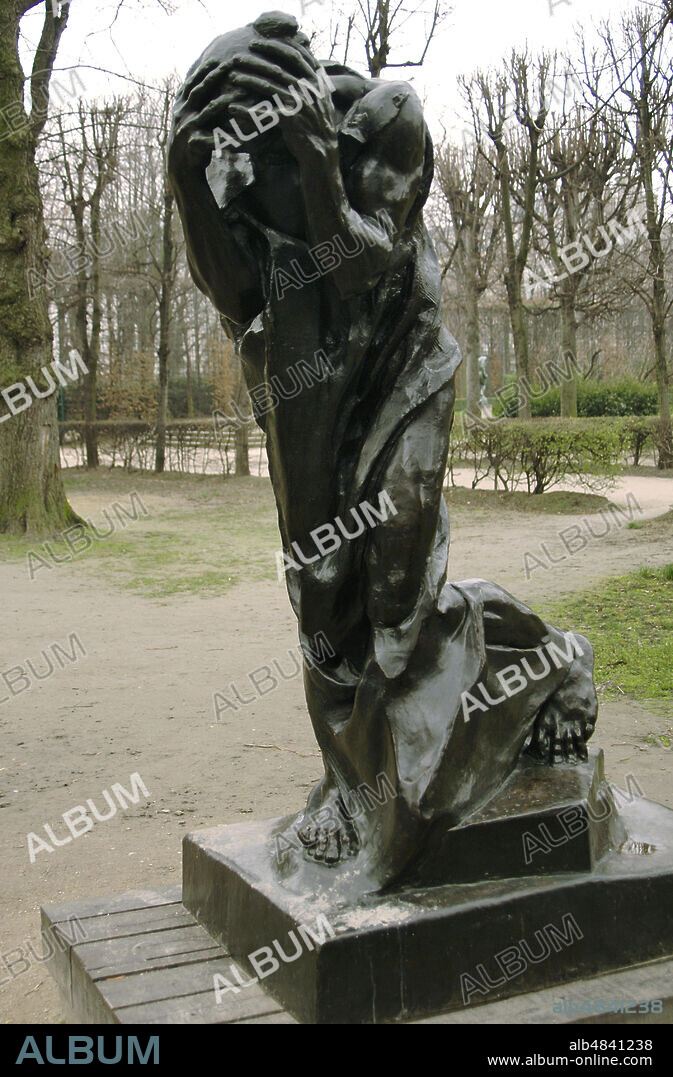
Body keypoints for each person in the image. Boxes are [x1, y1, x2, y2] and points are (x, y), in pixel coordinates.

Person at [168, 11, 598, 894]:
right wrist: (185, 175)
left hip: (401, 375)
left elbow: (365, 258)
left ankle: (536, 670)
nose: (235, 143)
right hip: (306, 390)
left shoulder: (383, 116)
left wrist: (313, 156)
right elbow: (235, 286)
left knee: (398, 595)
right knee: (322, 603)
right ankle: (361, 772)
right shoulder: (228, 156)